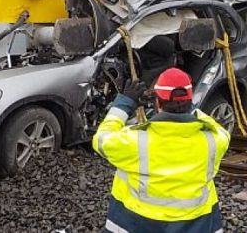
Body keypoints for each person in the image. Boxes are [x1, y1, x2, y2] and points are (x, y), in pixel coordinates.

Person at [92, 67, 231, 233]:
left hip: (137, 225)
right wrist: (190, 109)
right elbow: (220, 130)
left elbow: (101, 139)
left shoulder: (135, 142)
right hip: (197, 225)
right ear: (189, 101)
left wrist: (123, 104)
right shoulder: (213, 141)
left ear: (158, 103)